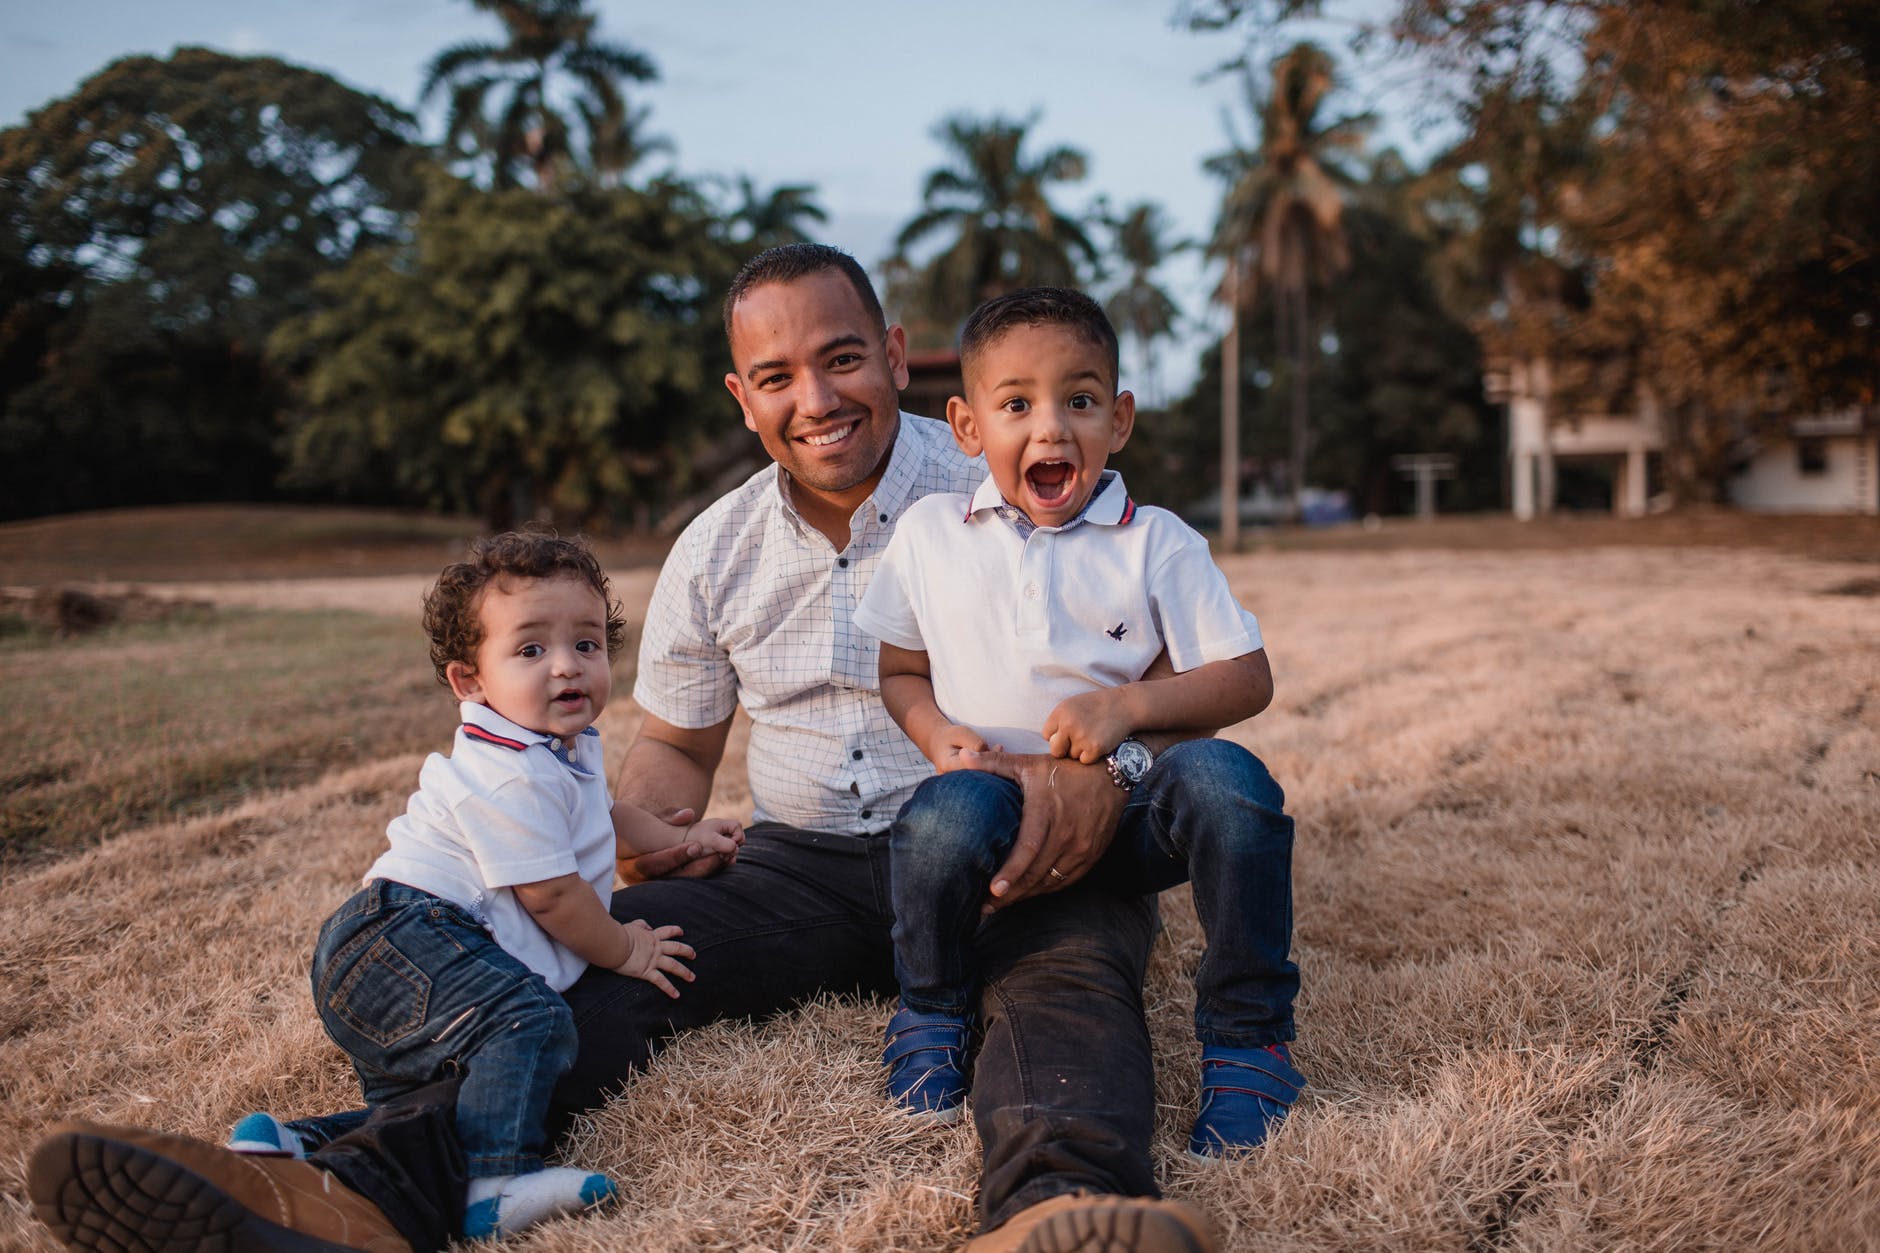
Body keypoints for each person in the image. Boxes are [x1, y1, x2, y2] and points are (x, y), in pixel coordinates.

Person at [25, 247, 1279, 1253]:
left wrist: (1098, 778)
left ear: (895, 357)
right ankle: (346, 1185)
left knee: (1065, 995)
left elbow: (1150, 666)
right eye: (776, 375)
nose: (817, 397)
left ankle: (1055, 1213)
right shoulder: (711, 552)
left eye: (843, 358)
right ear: (741, 397)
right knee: (606, 981)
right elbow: (675, 753)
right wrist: (653, 846)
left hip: (1005, 845)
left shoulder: (1010, 460)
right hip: (804, 860)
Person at [853, 288, 1304, 1154]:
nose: (1052, 428)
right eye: (1017, 403)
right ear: (966, 424)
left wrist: (1129, 705)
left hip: (1131, 813)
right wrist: (936, 736)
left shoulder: (1157, 540)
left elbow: (1247, 676)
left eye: (1082, 400)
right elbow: (901, 669)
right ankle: (931, 1008)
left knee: (1231, 783)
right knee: (939, 822)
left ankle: (1252, 1040)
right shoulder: (929, 534)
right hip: (995, 799)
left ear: (1120, 419)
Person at [229, 532, 742, 1239]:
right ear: (469, 680)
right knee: (530, 1021)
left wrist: (680, 838)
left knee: (433, 1104)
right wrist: (625, 946)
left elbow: (606, 813)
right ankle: (493, 1184)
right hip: (408, 935)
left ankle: (290, 1148)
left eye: (587, 644)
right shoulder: (509, 769)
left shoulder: (554, 745)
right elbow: (554, 897)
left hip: (387, 949)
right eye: (531, 650)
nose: (567, 665)